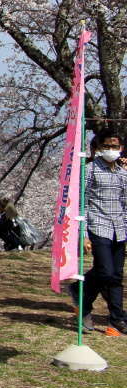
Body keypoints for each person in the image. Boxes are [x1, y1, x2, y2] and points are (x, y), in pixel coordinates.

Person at [71, 132, 127, 335]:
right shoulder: (90, 170)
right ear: (99, 148)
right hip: (98, 225)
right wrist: (83, 233)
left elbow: (125, 203)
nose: (111, 150)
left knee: (116, 275)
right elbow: (81, 202)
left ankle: (116, 319)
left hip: (119, 229)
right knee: (105, 271)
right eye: (107, 146)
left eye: (115, 146)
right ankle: (82, 299)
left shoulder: (123, 173)